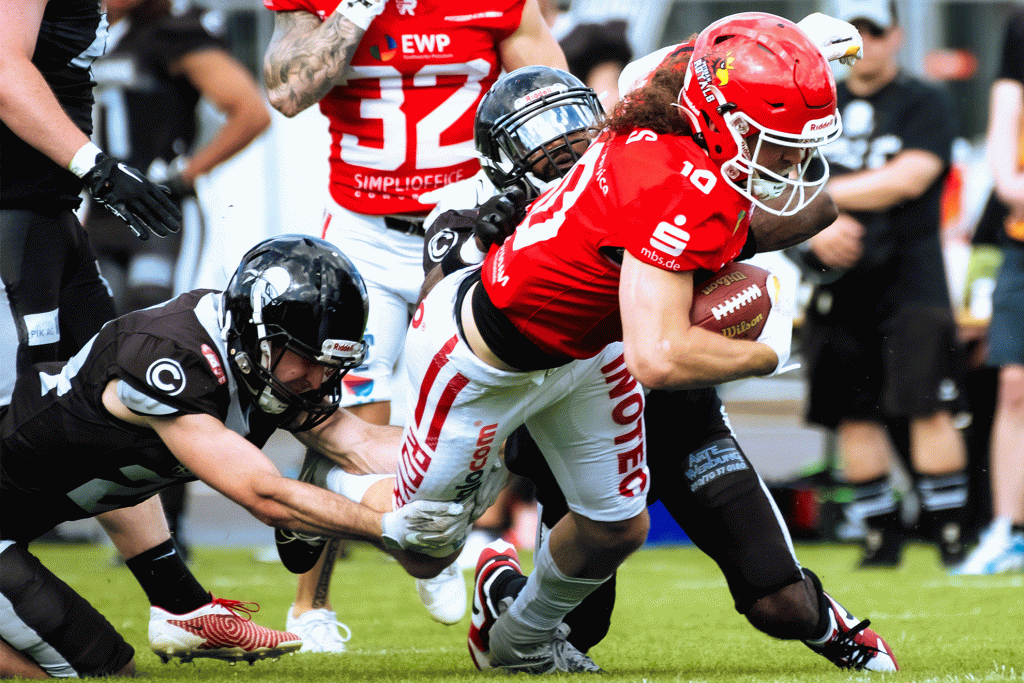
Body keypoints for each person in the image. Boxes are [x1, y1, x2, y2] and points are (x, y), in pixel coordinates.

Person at [389, 12, 899, 674]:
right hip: (557, 379)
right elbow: (647, 349)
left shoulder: (661, 128)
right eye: (541, 144)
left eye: (574, 126)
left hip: (638, 387)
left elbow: (716, 68)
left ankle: (828, 625)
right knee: (574, 614)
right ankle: (495, 592)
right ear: (500, 161)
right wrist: (769, 350)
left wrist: (790, 52)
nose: (567, 148)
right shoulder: (644, 188)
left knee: (774, 598)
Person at [0, 234, 473, 678]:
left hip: (31, 508)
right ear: (258, 334)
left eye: (331, 365)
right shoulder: (172, 359)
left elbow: (360, 442)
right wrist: (383, 527)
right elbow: (265, 496)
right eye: (309, 359)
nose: (318, 379)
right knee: (104, 671)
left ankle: (183, 611)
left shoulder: (258, 353)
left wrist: (479, 451)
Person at [0, 0, 300, 668]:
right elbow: (4, 70)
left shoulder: (163, 31)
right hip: (26, 215)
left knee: (115, 392)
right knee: (37, 415)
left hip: (60, 215)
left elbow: (246, 107)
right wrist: (97, 167)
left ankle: (180, 600)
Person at [261, 0, 568, 650]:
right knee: (346, 418)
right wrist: (355, 11)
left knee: (485, 402)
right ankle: (310, 607)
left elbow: (553, 109)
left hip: (466, 227)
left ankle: (438, 533)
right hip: (364, 233)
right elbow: (286, 93)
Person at [88, 0, 272, 562]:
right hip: (99, 221)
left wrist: (185, 173)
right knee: (99, 360)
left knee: (157, 358)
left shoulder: (171, 33)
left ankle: (172, 524)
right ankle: (123, 521)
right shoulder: (90, 32)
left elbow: (250, 110)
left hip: (158, 223)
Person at [798, 0, 970, 569]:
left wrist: (819, 202)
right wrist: (816, 230)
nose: (862, 43)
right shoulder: (812, 102)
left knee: (928, 405)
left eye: (873, 31)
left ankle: (950, 535)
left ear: (896, 35)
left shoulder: (925, 99)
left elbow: (910, 177)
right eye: (851, 32)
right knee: (852, 412)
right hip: (835, 281)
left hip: (911, 279)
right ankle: (879, 537)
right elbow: (776, 180)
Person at [955, 6, 1024, 575]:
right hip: (1020, 247)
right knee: (1014, 388)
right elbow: (1007, 176)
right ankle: (1008, 531)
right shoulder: (1020, 26)